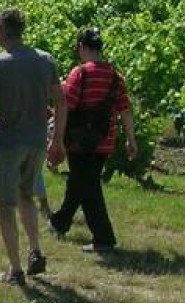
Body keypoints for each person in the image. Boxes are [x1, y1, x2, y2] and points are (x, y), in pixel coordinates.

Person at [0, 8, 65, 286]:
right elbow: (61, 101)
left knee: (5, 205)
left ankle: (15, 269)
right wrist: (57, 138)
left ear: (2, 30)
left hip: (8, 142)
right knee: (26, 195)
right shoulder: (45, 60)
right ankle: (35, 249)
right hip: (36, 141)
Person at [50, 28, 135, 253]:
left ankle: (103, 238)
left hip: (78, 140)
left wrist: (56, 136)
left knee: (87, 186)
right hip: (103, 141)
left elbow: (66, 105)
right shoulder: (116, 77)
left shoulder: (80, 73)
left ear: (82, 47)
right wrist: (130, 139)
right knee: (81, 182)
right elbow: (125, 109)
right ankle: (59, 223)